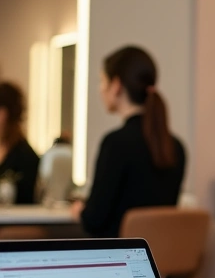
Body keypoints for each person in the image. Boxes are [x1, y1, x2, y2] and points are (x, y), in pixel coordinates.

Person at [72, 46, 186, 237]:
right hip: (158, 263)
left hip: (119, 262)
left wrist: (79, 211)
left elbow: (94, 220)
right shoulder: (176, 147)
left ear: (116, 85)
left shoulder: (115, 144)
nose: (100, 90)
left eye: (102, 81)